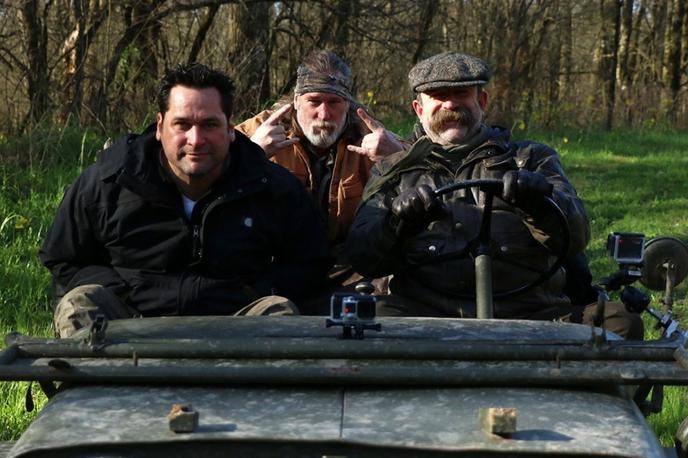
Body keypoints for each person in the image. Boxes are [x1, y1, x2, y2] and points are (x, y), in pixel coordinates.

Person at [345, 52, 643, 339]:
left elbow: (576, 235)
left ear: (482, 101)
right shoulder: (396, 171)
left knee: (620, 323)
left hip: (531, 314)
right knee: (363, 324)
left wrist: (539, 205)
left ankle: (583, 391)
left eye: (461, 94)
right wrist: (396, 221)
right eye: (438, 96)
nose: (450, 104)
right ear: (419, 109)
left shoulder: (531, 158)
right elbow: (363, 257)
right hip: (425, 314)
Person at [40, 63, 331, 338]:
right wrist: (124, 289)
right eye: (182, 124)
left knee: (278, 312)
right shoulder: (107, 183)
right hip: (130, 322)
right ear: (159, 126)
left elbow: (310, 264)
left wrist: (255, 290)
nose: (196, 139)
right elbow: (64, 259)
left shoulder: (273, 187)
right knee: (79, 304)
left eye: (209, 125)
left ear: (230, 129)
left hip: (233, 324)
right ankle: (102, 391)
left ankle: (248, 392)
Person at [236, 50, 404, 310]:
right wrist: (252, 154)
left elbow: (429, 175)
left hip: (347, 264)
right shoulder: (259, 130)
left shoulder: (370, 134)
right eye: (314, 101)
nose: (324, 114)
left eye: (334, 102)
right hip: (274, 262)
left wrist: (398, 157)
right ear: (295, 101)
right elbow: (204, 175)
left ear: (349, 105)